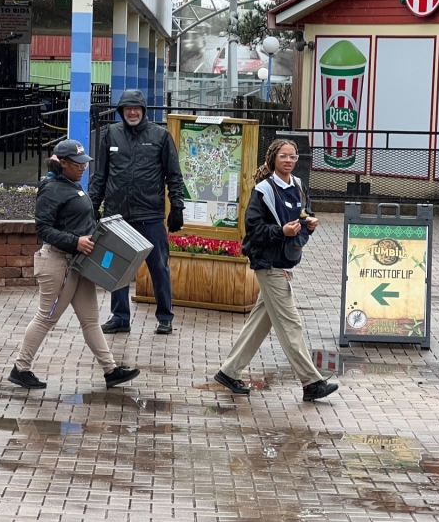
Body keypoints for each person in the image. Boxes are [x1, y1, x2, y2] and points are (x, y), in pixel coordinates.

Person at [8, 139, 141, 391]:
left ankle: (111, 370)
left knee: (90, 320)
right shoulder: (52, 188)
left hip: (77, 264)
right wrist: (75, 241)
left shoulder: (71, 184)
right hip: (59, 263)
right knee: (46, 318)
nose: (83, 167)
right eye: (78, 163)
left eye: (84, 163)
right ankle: (20, 369)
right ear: (63, 163)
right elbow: (42, 228)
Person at [212, 139, 339, 402]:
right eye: (284, 156)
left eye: (293, 156)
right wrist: (281, 231)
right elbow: (254, 230)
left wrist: (308, 223)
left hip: (284, 261)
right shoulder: (264, 191)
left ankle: (229, 371)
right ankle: (311, 381)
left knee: (261, 320)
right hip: (268, 264)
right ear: (273, 159)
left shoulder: (298, 186)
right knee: (290, 323)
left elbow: (303, 214)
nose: (289, 160)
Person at [88, 89, 185, 336]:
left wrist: (177, 207)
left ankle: (165, 317)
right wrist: (92, 205)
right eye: (127, 108)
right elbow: (100, 174)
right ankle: (120, 317)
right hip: (116, 215)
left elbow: (174, 175)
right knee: (117, 268)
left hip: (150, 214)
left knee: (158, 267)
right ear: (121, 111)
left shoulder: (160, 136)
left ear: (143, 110)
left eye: (137, 108)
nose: (132, 112)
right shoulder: (111, 134)